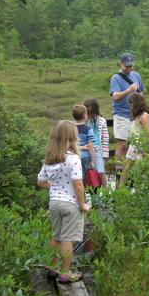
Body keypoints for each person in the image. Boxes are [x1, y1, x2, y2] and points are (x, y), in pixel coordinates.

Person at [37, 120, 90, 284]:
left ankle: (52, 267)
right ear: (72, 139)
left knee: (56, 236)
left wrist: (54, 186)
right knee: (68, 238)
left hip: (54, 203)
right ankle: (66, 274)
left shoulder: (50, 158)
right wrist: (82, 205)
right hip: (70, 205)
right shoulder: (73, 158)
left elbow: (40, 181)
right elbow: (78, 184)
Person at [109, 53, 144, 165]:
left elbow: (141, 93)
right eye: (126, 66)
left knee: (134, 144)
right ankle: (119, 170)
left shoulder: (136, 75)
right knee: (122, 144)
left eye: (130, 66)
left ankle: (131, 169)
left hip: (135, 115)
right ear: (121, 64)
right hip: (121, 114)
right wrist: (129, 90)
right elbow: (116, 96)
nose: (129, 68)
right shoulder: (116, 78)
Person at [119, 93, 149, 187]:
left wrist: (145, 149)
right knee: (127, 167)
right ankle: (120, 188)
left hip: (141, 145)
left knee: (140, 168)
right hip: (134, 145)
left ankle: (139, 189)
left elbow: (147, 133)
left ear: (137, 103)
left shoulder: (144, 116)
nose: (130, 107)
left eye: (131, 104)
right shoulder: (137, 116)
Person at [84, 98, 109, 189]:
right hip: (87, 149)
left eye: (90, 113)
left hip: (98, 148)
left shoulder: (102, 121)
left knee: (101, 172)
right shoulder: (84, 121)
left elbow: (105, 138)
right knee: (90, 171)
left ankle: (106, 192)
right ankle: (92, 193)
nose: (88, 115)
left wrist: (105, 154)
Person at [72, 104, 95, 181]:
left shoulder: (71, 129)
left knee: (77, 177)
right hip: (86, 156)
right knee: (87, 178)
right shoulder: (88, 129)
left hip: (74, 156)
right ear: (85, 116)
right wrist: (92, 161)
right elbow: (91, 146)